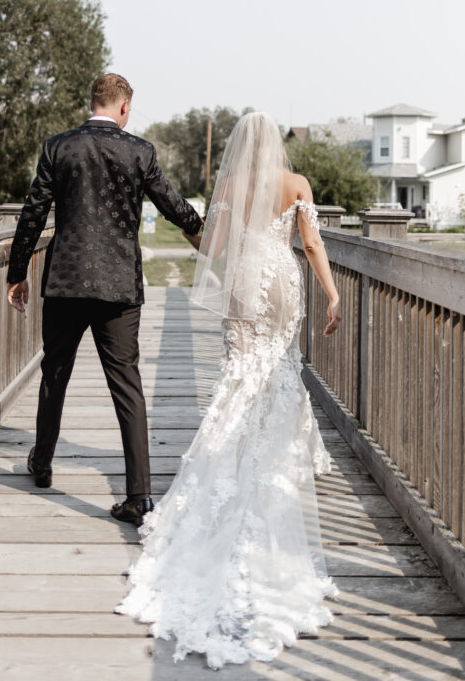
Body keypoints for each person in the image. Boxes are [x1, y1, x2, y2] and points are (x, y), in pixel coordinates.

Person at [115, 110, 341, 669]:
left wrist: (219, 235)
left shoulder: (233, 185)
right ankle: (280, 452)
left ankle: (230, 448)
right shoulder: (297, 185)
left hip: (244, 281)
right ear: (277, 146)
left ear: (241, 147)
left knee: (241, 369)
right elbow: (310, 245)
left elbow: (210, 249)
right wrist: (332, 294)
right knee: (279, 367)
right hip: (282, 282)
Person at [5, 73, 203, 527]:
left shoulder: (58, 147)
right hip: (118, 287)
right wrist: (202, 235)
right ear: (124, 107)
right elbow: (172, 205)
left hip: (65, 282)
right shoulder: (139, 151)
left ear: (92, 101)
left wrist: (17, 274)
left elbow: (33, 212)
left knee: (55, 374)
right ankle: (138, 496)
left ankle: (42, 463)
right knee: (127, 387)